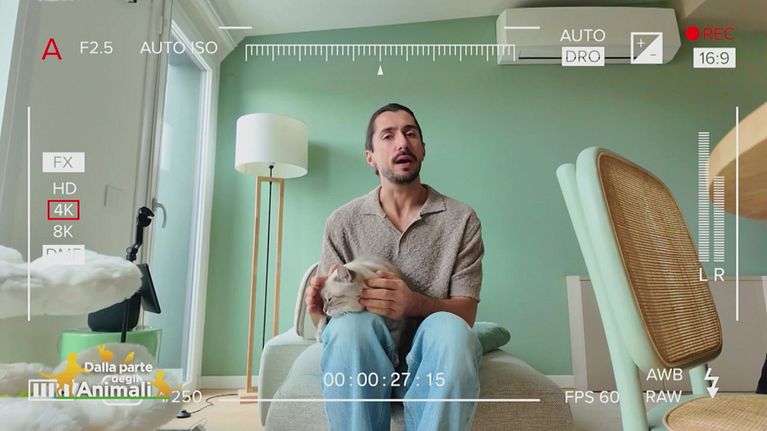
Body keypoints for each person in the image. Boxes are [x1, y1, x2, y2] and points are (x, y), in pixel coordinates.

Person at [305, 103, 484, 431]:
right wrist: (318, 312)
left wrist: (415, 304)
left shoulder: (462, 219)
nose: (402, 142)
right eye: (388, 136)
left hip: (430, 353)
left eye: (410, 133)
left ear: (423, 150)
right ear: (370, 157)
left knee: (454, 332)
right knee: (349, 329)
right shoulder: (342, 222)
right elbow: (328, 325)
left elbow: (467, 313)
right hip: (367, 355)